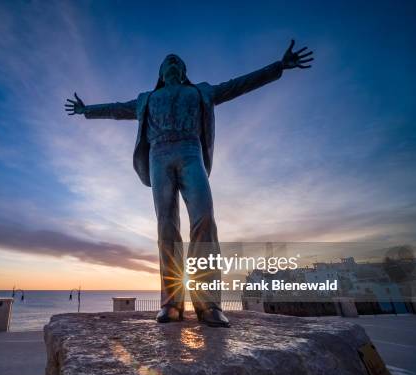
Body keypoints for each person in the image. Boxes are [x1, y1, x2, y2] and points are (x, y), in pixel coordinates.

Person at [65, 40, 313, 327]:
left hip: (191, 152)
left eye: (177, 61)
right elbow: (117, 109)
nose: (172, 62)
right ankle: (171, 304)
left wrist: (279, 66)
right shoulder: (147, 98)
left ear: (183, 72)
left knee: (204, 217)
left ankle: (208, 304)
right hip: (159, 156)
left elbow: (239, 85)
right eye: (167, 60)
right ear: (160, 71)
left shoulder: (200, 92)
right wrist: (86, 111)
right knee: (166, 225)